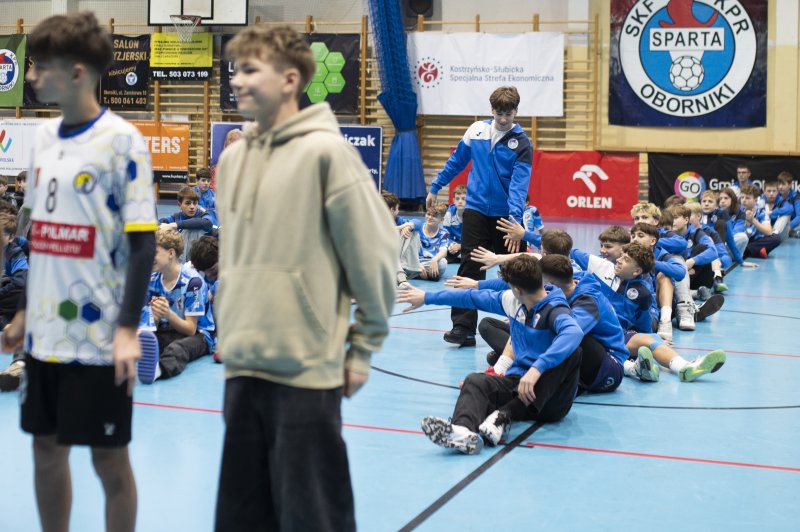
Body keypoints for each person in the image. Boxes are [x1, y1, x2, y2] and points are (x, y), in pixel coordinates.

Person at [214, 25, 396, 532]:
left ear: (290, 80)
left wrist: (362, 349)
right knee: (241, 521)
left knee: (313, 519)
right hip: (241, 366)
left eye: (251, 70)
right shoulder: (232, 160)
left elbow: (375, 256)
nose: (237, 80)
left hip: (306, 372)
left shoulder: (327, 154)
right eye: (235, 70)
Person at [1, 12, 157, 532]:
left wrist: (128, 329)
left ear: (77, 72)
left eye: (40, 66)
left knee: (108, 460)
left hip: (99, 336)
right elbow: (40, 236)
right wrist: (24, 313)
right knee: (45, 450)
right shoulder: (43, 138)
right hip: (44, 336)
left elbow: (142, 244)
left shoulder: (123, 141)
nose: (31, 75)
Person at [397, 255, 583, 453]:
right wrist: (427, 297)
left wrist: (537, 368)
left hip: (551, 400)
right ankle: (463, 432)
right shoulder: (512, 301)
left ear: (517, 290)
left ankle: (505, 415)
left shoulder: (555, 309)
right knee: (475, 380)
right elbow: (471, 298)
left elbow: (574, 332)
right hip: (519, 385)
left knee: (574, 352)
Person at [426, 86, 532, 347]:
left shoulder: (522, 143)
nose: (503, 119)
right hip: (475, 211)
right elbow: (456, 162)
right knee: (470, 266)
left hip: (506, 216)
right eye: (499, 113)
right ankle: (463, 328)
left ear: (516, 112)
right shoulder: (476, 131)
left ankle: (524, 328)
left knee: (515, 270)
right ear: (491, 110)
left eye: (508, 114)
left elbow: (519, 186)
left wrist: (514, 221)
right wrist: (436, 186)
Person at [137, 230, 212, 384]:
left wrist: (168, 314)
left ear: (170, 253)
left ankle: (159, 370)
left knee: (177, 348)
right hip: (167, 330)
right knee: (142, 338)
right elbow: (150, 327)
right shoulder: (151, 280)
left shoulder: (193, 282)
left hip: (198, 335)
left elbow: (191, 329)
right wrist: (155, 318)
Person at [411, 202, 450, 281]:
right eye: (428, 214)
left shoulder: (444, 233)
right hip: (415, 261)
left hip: (431, 262)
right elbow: (409, 251)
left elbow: (444, 251)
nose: (430, 217)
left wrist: (434, 260)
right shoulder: (418, 229)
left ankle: (416, 274)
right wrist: (418, 264)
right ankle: (428, 274)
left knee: (443, 263)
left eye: (434, 216)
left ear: (441, 220)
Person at [740, 184, 781, 258]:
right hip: (741, 239)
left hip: (755, 241)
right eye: (742, 197)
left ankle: (746, 251)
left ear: (755, 200)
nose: (744, 200)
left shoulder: (761, 211)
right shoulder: (737, 211)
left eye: (747, 198)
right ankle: (757, 251)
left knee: (776, 238)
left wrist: (753, 220)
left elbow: (768, 231)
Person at [762, 177, 793, 241]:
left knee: (786, 215)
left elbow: (790, 209)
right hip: (764, 232)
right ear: (764, 192)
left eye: (774, 191)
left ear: (777, 192)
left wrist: (772, 212)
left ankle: (773, 235)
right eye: (769, 191)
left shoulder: (781, 200)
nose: (771, 193)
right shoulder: (760, 201)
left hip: (779, 233)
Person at [443, 184, 466, 262]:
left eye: (463, 199)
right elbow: (446, 235)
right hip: (455, 246)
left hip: (468, 245)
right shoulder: (449, 214)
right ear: (453, 200)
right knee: (443, 252)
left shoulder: (473, 214)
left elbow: (476, 239)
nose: (460, 201)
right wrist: (451, 244)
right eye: (457, 199)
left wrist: (461, 246)